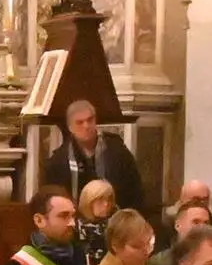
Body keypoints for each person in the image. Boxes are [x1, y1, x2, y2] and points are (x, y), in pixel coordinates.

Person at [38, 91, 146, 221]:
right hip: (74, 224)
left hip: (115, 222)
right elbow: (50, 201)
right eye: (80, 122)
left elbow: (135, 192)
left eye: (90, 120)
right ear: (70, 127)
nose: (87, 126)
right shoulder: (58, 161)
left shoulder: (117, 152)